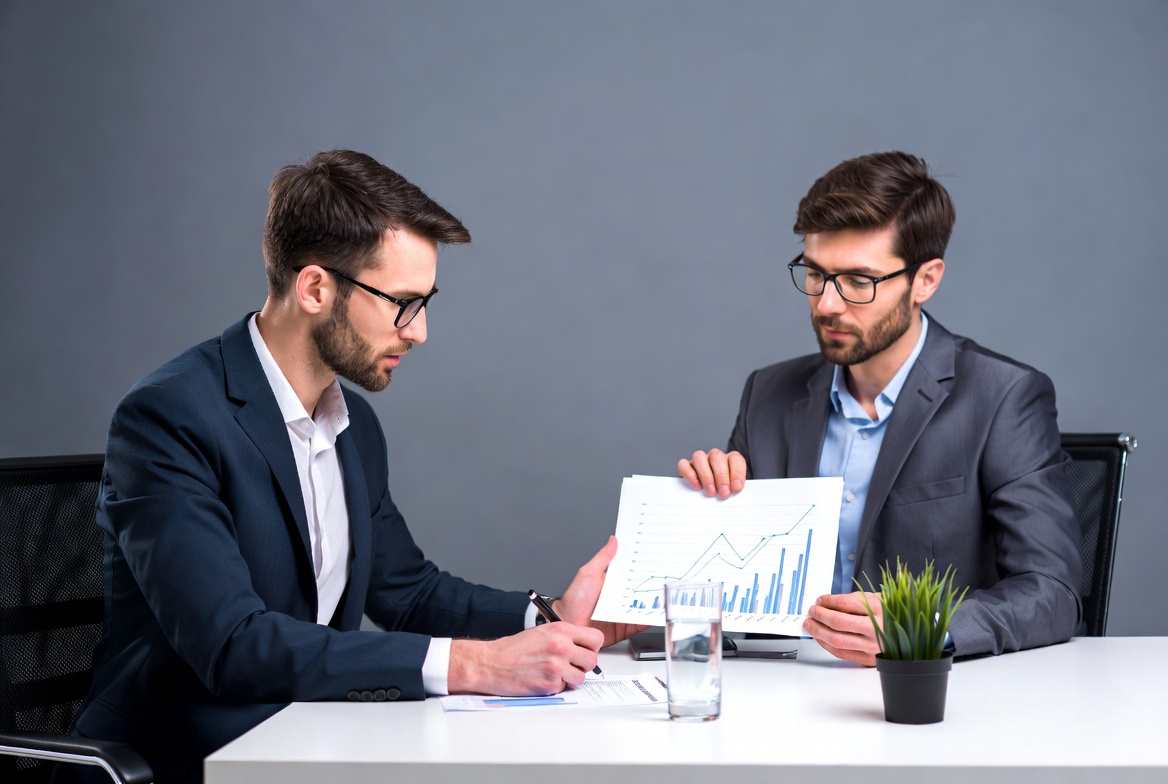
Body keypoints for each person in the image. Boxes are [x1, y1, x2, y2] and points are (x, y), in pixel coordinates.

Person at [62, 150, 641, 784]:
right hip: (182, 762)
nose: (418, 332)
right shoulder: (171, 417)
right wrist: (475, 666)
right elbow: (233, 647)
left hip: (309, 743)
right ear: (315, 288)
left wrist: (551, 615)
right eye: (402, 302)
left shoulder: (351, 425)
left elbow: (408, 592)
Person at [678, 151, 1082, 666]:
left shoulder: (1003, 396)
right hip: (777, 694)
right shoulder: (768, 394)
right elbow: (736, 573)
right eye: (815, 273)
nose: (827, 303)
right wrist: (708, 502)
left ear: (926, 280)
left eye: (858, 281)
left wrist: (919, 629)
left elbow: (1053, 591)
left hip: (921, 701)